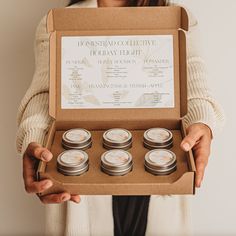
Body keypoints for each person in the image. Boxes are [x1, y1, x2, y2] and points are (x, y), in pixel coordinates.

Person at [16, 0, 225, 235]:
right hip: (79, 183)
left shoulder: (178, 17)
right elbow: (44, 95)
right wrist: (33, 138)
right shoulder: (57, 21)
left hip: (161, 169)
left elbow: (195, 88)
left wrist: (202, 123)